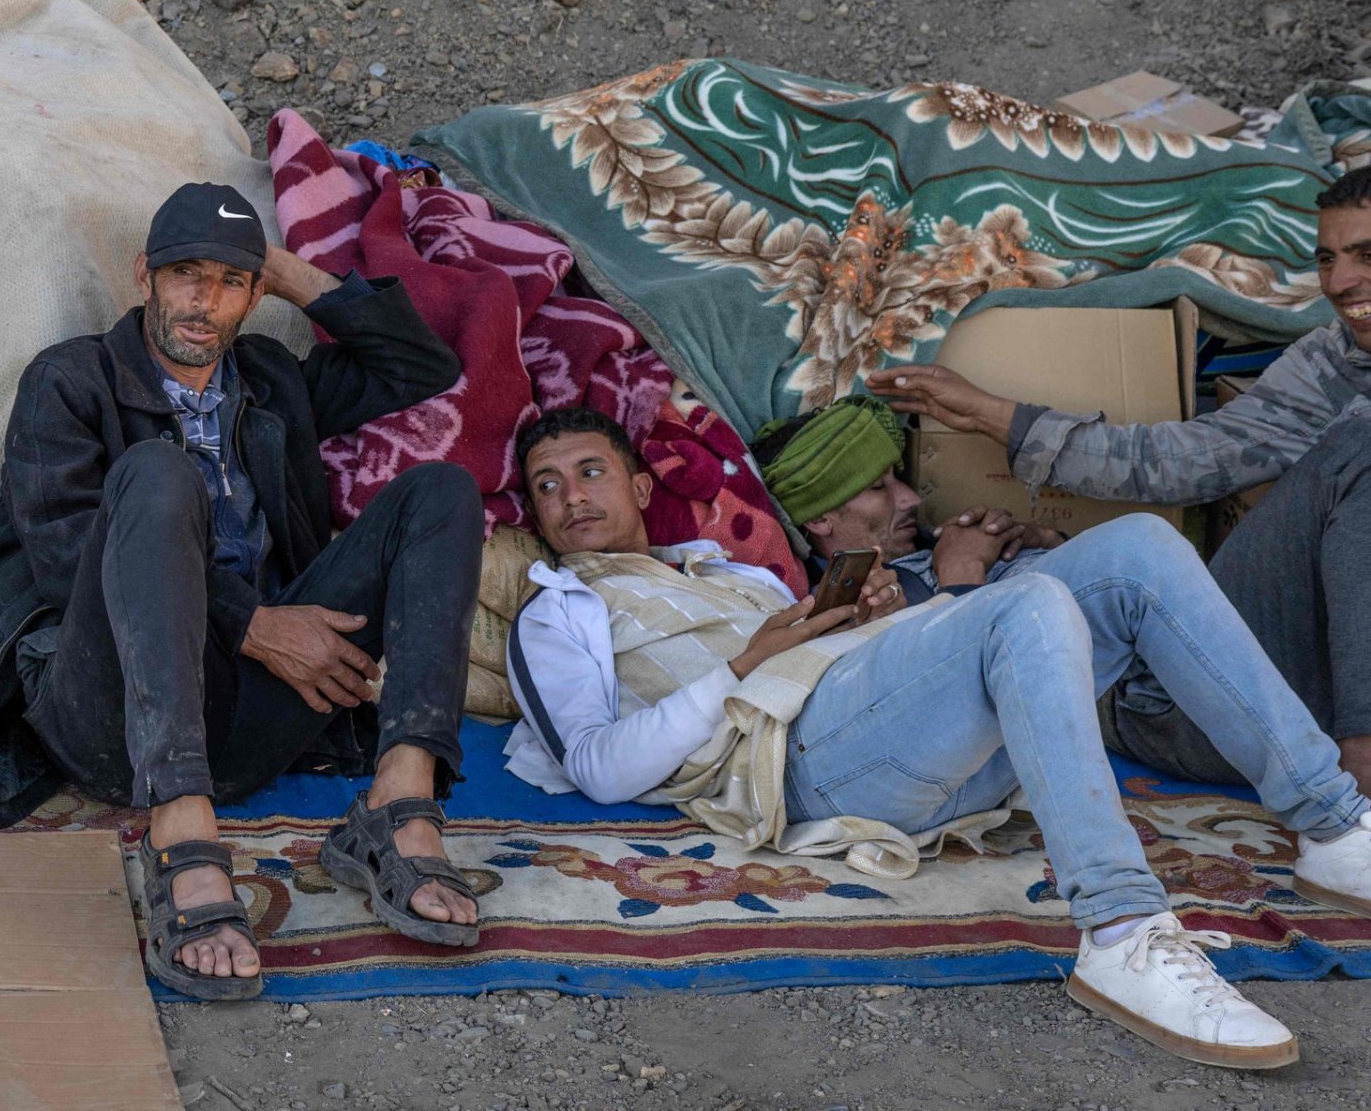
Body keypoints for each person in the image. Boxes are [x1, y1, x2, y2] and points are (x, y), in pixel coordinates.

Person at [504, 407, 1371, 1071]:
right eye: (548, 485)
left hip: (891, 741)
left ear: (640, 489)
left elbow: (841, 665)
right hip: (797, 767)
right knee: (1025, 604)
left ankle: (1332, 825)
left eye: (590, 472)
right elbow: (597, 768)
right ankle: (1122, 931)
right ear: (536, 515)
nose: (573, 496)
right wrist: (744, 665)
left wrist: (876, 623)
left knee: (1137, 548)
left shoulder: (729, 571)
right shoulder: (557, 612)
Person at [0, 183, 478, 1002]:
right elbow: (63, 562)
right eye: (185, 273)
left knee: (441, 492)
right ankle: (182, 839)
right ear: (143, 277)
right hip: (115, 714)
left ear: (256, 295)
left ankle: (397, 805)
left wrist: (296, 276)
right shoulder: (71, 380)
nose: (204, 300)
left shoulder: (268, 378)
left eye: (230, 281)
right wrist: (252, 622)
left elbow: (421, 364)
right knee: (157, 474)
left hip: (252, 709)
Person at [871, 165, 1371, 792]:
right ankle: (1359, 796)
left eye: (1365, 256)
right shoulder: (1335, 364)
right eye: (1328, 259)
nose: (1341, 282)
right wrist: (993, 415)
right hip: (1198, 708)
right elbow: (1184, 460)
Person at [751, 393, 1055, 606]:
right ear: (819, 519)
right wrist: (961, 570)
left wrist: (1041, 538)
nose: (911, 499)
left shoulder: (931, 545)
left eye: (898, 479)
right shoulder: (853, 611)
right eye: (878, 488)